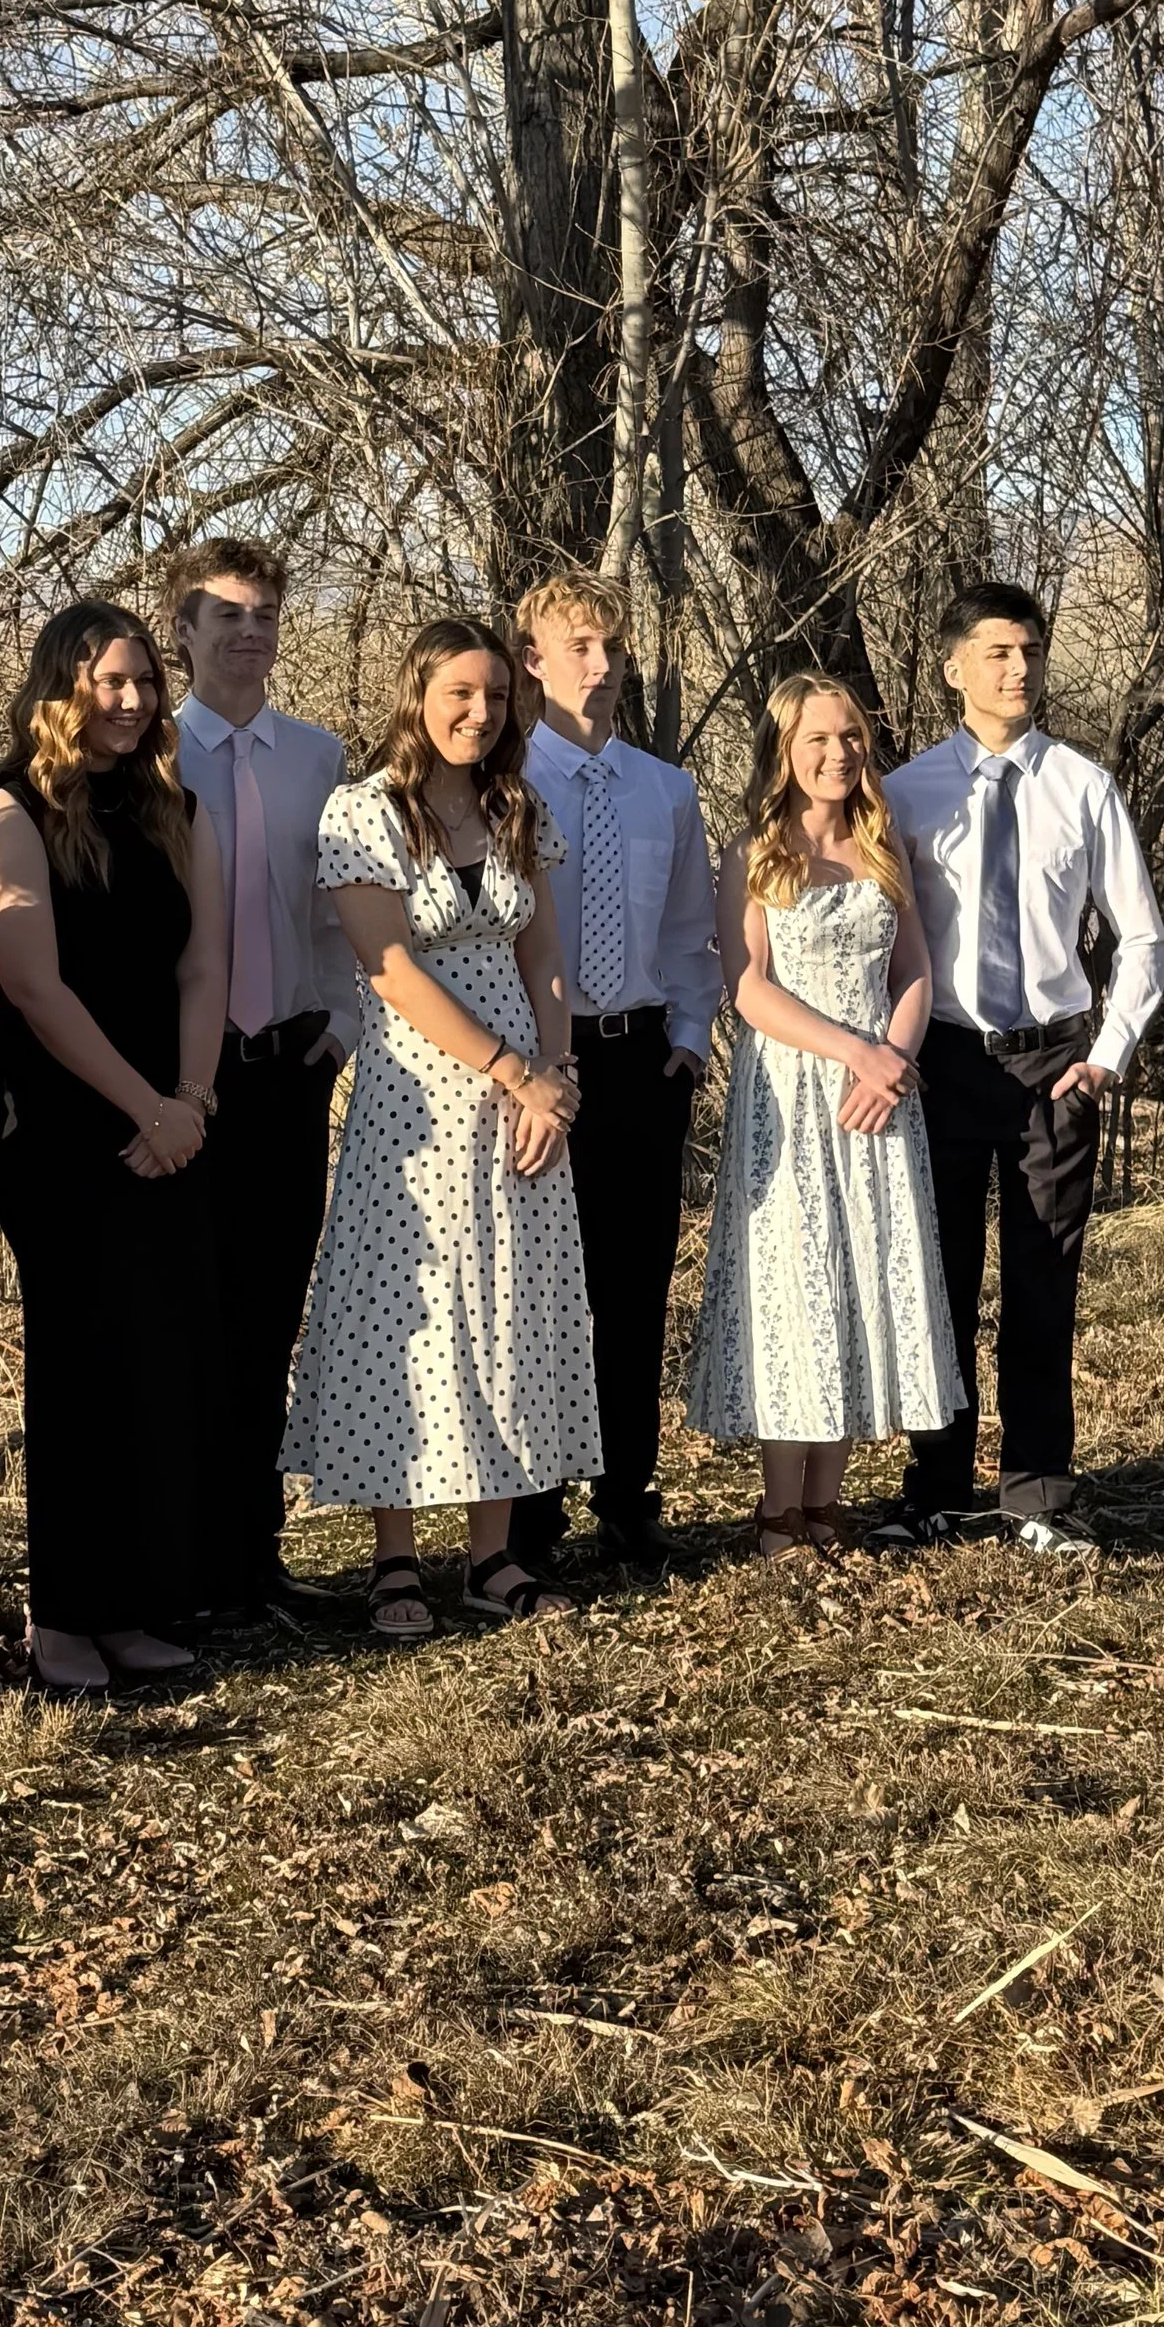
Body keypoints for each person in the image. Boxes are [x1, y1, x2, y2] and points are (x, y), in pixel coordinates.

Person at [281, 618, 601, 1635]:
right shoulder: (361, 811)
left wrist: (551, 1073)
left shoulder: (516, 808)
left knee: (510, 1306)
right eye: (459, 692)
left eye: (496, 698)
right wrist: (507, 1069)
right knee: (408, 1314)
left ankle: (492, 1554)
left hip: (525, 1101)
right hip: (418, 1102)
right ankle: (393, 1560)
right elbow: (391, 967)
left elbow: (543, 950)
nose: (478, 713)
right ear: (418, 694)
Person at [0, 602, 228, 1691]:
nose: (131, 702)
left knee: (156, 1359)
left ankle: (137, 1606)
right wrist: (141, 1108)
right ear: (60, 685)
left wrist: (194, 1101)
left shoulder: (176, 806)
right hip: (61, 1122)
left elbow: (204, 965)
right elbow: (32, 984)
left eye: (145, 683)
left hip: (171, 1115)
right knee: (77, 1363)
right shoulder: (8, 805)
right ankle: (63, 1618)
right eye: (109, 683)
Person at [876, 582, 1164, 1554]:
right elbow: (875, 936)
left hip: (1055, 1061)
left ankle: (1038, 1497)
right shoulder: (906, 795)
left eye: (1031, 652)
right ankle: (937, 1491)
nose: (1018, 669)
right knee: (944, 1288)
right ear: (953, 664)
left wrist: (1106, 1055)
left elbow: (1142, 936)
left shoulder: (1083, 787)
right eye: (997, 652)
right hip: (947, 1060)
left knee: (1043, 1286)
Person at [687, 674, 964, 1553]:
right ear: (784, 749)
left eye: (850, 736)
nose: (838, 753)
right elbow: (748, 989)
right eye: (818, 739)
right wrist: (854, 1051)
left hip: (879, 1097)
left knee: (860, 1281)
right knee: (793, 1287)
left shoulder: (884, 846)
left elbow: (915, 970)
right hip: (793, 1097)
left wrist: (894, 1061)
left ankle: (826, 1503)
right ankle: (778, 1508)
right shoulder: (756, 853)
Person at [507, 570, 721, 1581]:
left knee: (633, 1290)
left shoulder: (663, 789)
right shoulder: (504, 782)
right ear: (532, 661)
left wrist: (687, 1036)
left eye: (611, 648)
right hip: (542, 1066)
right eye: (577, 646)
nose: (597, 666)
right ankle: (531, 1509)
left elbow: (688, 929)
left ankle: (628, 1498)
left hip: (641, 1059)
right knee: (543, 1288)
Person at [167, 538, 358, 1620]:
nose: (248, 631)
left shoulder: (319, 760)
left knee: (267, 1314)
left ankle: (256, 1555)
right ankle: (189, 1558)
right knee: (190, 1312)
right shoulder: (150, 756)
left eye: (265, 614)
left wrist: (335, 1026)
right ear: (185, 631)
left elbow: (341, 913)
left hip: (287, 1067)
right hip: (185, 1082)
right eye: (225, 614)